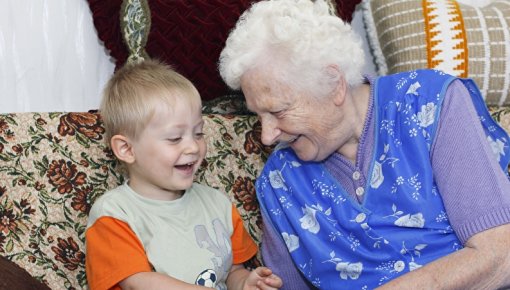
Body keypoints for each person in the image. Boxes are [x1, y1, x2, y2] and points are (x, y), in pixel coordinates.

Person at [218, 0, 510, 289]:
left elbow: (499, 254)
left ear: (334, 84)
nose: (267, 136)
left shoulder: (429, 104)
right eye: (258, 117)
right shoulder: (280, 181)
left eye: (278, 112)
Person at [85, 59, 283, 290]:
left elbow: (232, 271)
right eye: (175, 138)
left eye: (198, 133)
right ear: (126, 149)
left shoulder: (218, 204)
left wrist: (245, 283)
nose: (193, 147)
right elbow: (138, 283)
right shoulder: (114, 214)